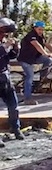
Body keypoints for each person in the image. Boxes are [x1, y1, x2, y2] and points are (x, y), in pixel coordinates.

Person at [17, 21, 52, 105]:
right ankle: (27, 99)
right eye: (39, 29)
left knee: (48, 60)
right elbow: (37, 45)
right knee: (30, 76)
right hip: (25, 59)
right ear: (35, 28)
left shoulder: (41, 36)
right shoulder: (31, 35)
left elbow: (47, 45)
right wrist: (46, 53)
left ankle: (42, 78)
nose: (41, 31)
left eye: (42, 30)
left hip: (35, 57)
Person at [0, 17, 24, 147]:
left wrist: (15, 48)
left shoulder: (3, 41)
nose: (4, 35)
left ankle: (16, 128)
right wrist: (5, 47)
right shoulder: (3, 44)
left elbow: (10, 57)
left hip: (5, 77)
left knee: (13, 105)